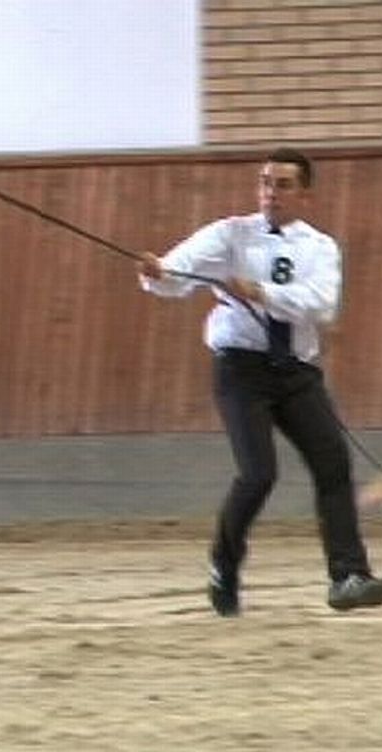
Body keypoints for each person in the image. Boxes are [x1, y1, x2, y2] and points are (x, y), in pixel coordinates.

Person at [136, 146, 382, 615]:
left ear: (305, 195)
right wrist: (155, 273)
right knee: (258, 474)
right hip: (241, 370)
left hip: (296, 371)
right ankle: (223, 565)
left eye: (283, 185)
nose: (271, 192)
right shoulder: (230, 235)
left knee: (332, 464)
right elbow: (176, 274)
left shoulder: (320, 247)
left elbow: (321, 304)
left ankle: (348, 576)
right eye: (266, 183)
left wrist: (261, 293)